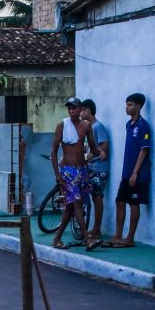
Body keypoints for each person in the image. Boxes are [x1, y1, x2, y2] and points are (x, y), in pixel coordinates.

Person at [49, 97, 101, 251]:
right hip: (68, 172)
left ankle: (57, 238)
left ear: (80, 109)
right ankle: (87, 239)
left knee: (71, 207)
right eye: (69, 108)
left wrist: (100, 152)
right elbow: (53, 151)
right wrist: (57, 174)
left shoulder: (86, 126)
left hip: (82, 170)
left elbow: (92, 147)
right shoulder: (62, 125)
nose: (71, 111)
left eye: (74, 108)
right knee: (77, 203)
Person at [106, 92, 151, 249]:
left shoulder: (143, 126)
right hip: (126, 172)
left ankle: (130, 238)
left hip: (137, 174)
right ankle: (118, 235)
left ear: (138, 106)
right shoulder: (128, 125)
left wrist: (135, 172)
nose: (127, 107)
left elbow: (144, 150)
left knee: (133, 204)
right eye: (126, 104)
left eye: (130, 104)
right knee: (119, 201)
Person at [79, 99, 108, 239]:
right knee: (91, 196)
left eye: (82, 110)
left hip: (98, 168)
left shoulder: (97, 127)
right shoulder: (87, 127)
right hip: (89, 167)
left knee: (97, 197)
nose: (80, 113)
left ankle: (97, 229)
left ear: (88, 111)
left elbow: (103, 146)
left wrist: (87, 157)